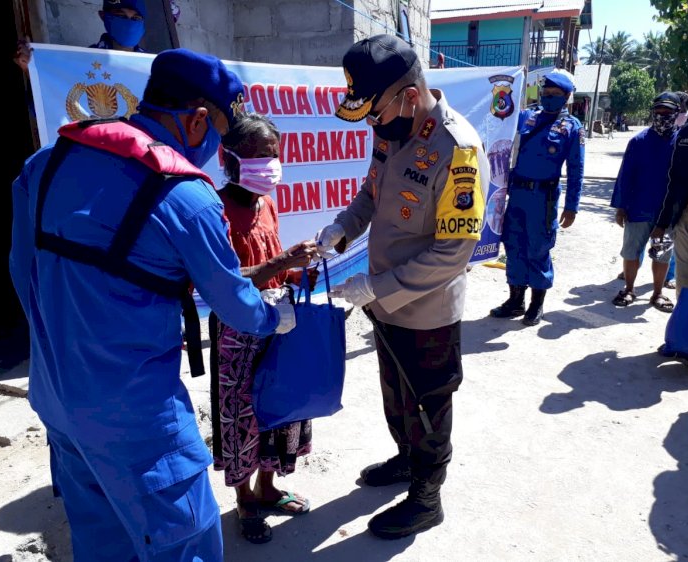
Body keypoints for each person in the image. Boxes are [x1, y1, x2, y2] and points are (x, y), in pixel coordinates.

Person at [9, 48, 297, 561]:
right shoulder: (185, 196)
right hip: (138, 422)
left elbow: (20, 272)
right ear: (199, 121)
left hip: (55, 399)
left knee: (102, 542)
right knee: (186, 544)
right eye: (219, 136)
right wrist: (278, 316)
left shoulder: (44, 164)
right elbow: (236, 306)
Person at [315, 34, 490, 539]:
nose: (372, 124)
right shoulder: (391, 130)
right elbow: (370, 194)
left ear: (410, 96)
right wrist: (342, 227)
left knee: (429, 401)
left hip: (427, 311)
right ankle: (405, 458)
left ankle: (427, 495)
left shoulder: (457, 149)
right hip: (384, 301)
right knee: (395, 393)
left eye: (376, 111)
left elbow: (453, 252)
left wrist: (378, 286)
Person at [211, 113, 318, 544]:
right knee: (241, 416)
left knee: (281, 409)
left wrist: (299, 274)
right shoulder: (215, 209)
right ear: (230, 158)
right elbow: (223, 279)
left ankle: (269, 488)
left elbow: (274, 268)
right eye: (256, 156)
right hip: (237, 332)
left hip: (277, 323)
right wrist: (283, 263)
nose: (267, 164)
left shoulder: (267, 203)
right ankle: (245, 501)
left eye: (272, 155)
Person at [489, 69, 585, 326]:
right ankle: (515, 301)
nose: (549, 97)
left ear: (566, 97)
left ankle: (536, 304)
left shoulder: (571, 128)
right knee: (513, 245)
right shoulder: (527, 117)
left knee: (538, 248)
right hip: (517, 193)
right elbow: (500, 114)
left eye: (555, 94)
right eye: (546, 93)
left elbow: (576, 169)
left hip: (544, 198)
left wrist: (572, 206)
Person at [652, 70, 688, 369]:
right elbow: (673, 183)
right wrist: (662, 223)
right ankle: (682, 342)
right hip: (686, 221)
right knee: (685, 283)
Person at [609, 92, 681, 312]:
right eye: (658, 111)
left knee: (662, 254)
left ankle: (657, 294)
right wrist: (621, 207)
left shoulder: (683, 142)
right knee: (631, 252)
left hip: (667, 213)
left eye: (667, 112)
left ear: (676, 114)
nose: (662, 116)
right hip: (638, 209)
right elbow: (625, 175)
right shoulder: (638, 141)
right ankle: (629, 289)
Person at [13, 0, 148, 74]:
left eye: (136, 18)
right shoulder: (84, 62)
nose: (129, 23)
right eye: (120, 16)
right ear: (103, 16)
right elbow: (55, 98)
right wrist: (33, 70)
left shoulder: (153, 68)